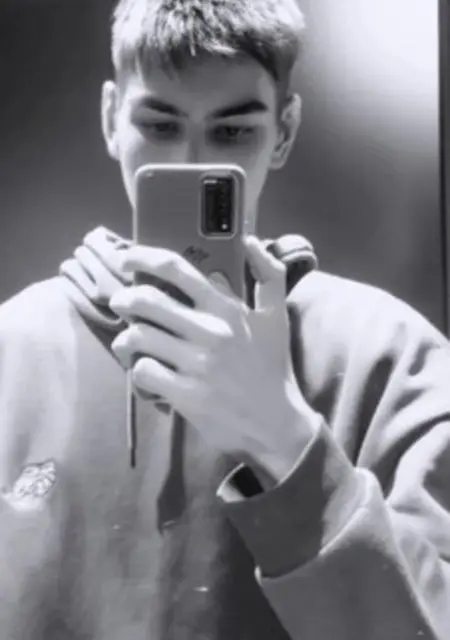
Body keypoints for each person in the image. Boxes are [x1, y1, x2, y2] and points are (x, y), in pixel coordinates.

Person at [0, 0, 449, 638]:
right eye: (159, 125)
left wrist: (287, 441)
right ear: (110, 119)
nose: (192, 162)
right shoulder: (12, 351)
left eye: (233, 132)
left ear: (284, 132)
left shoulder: (394, 358)